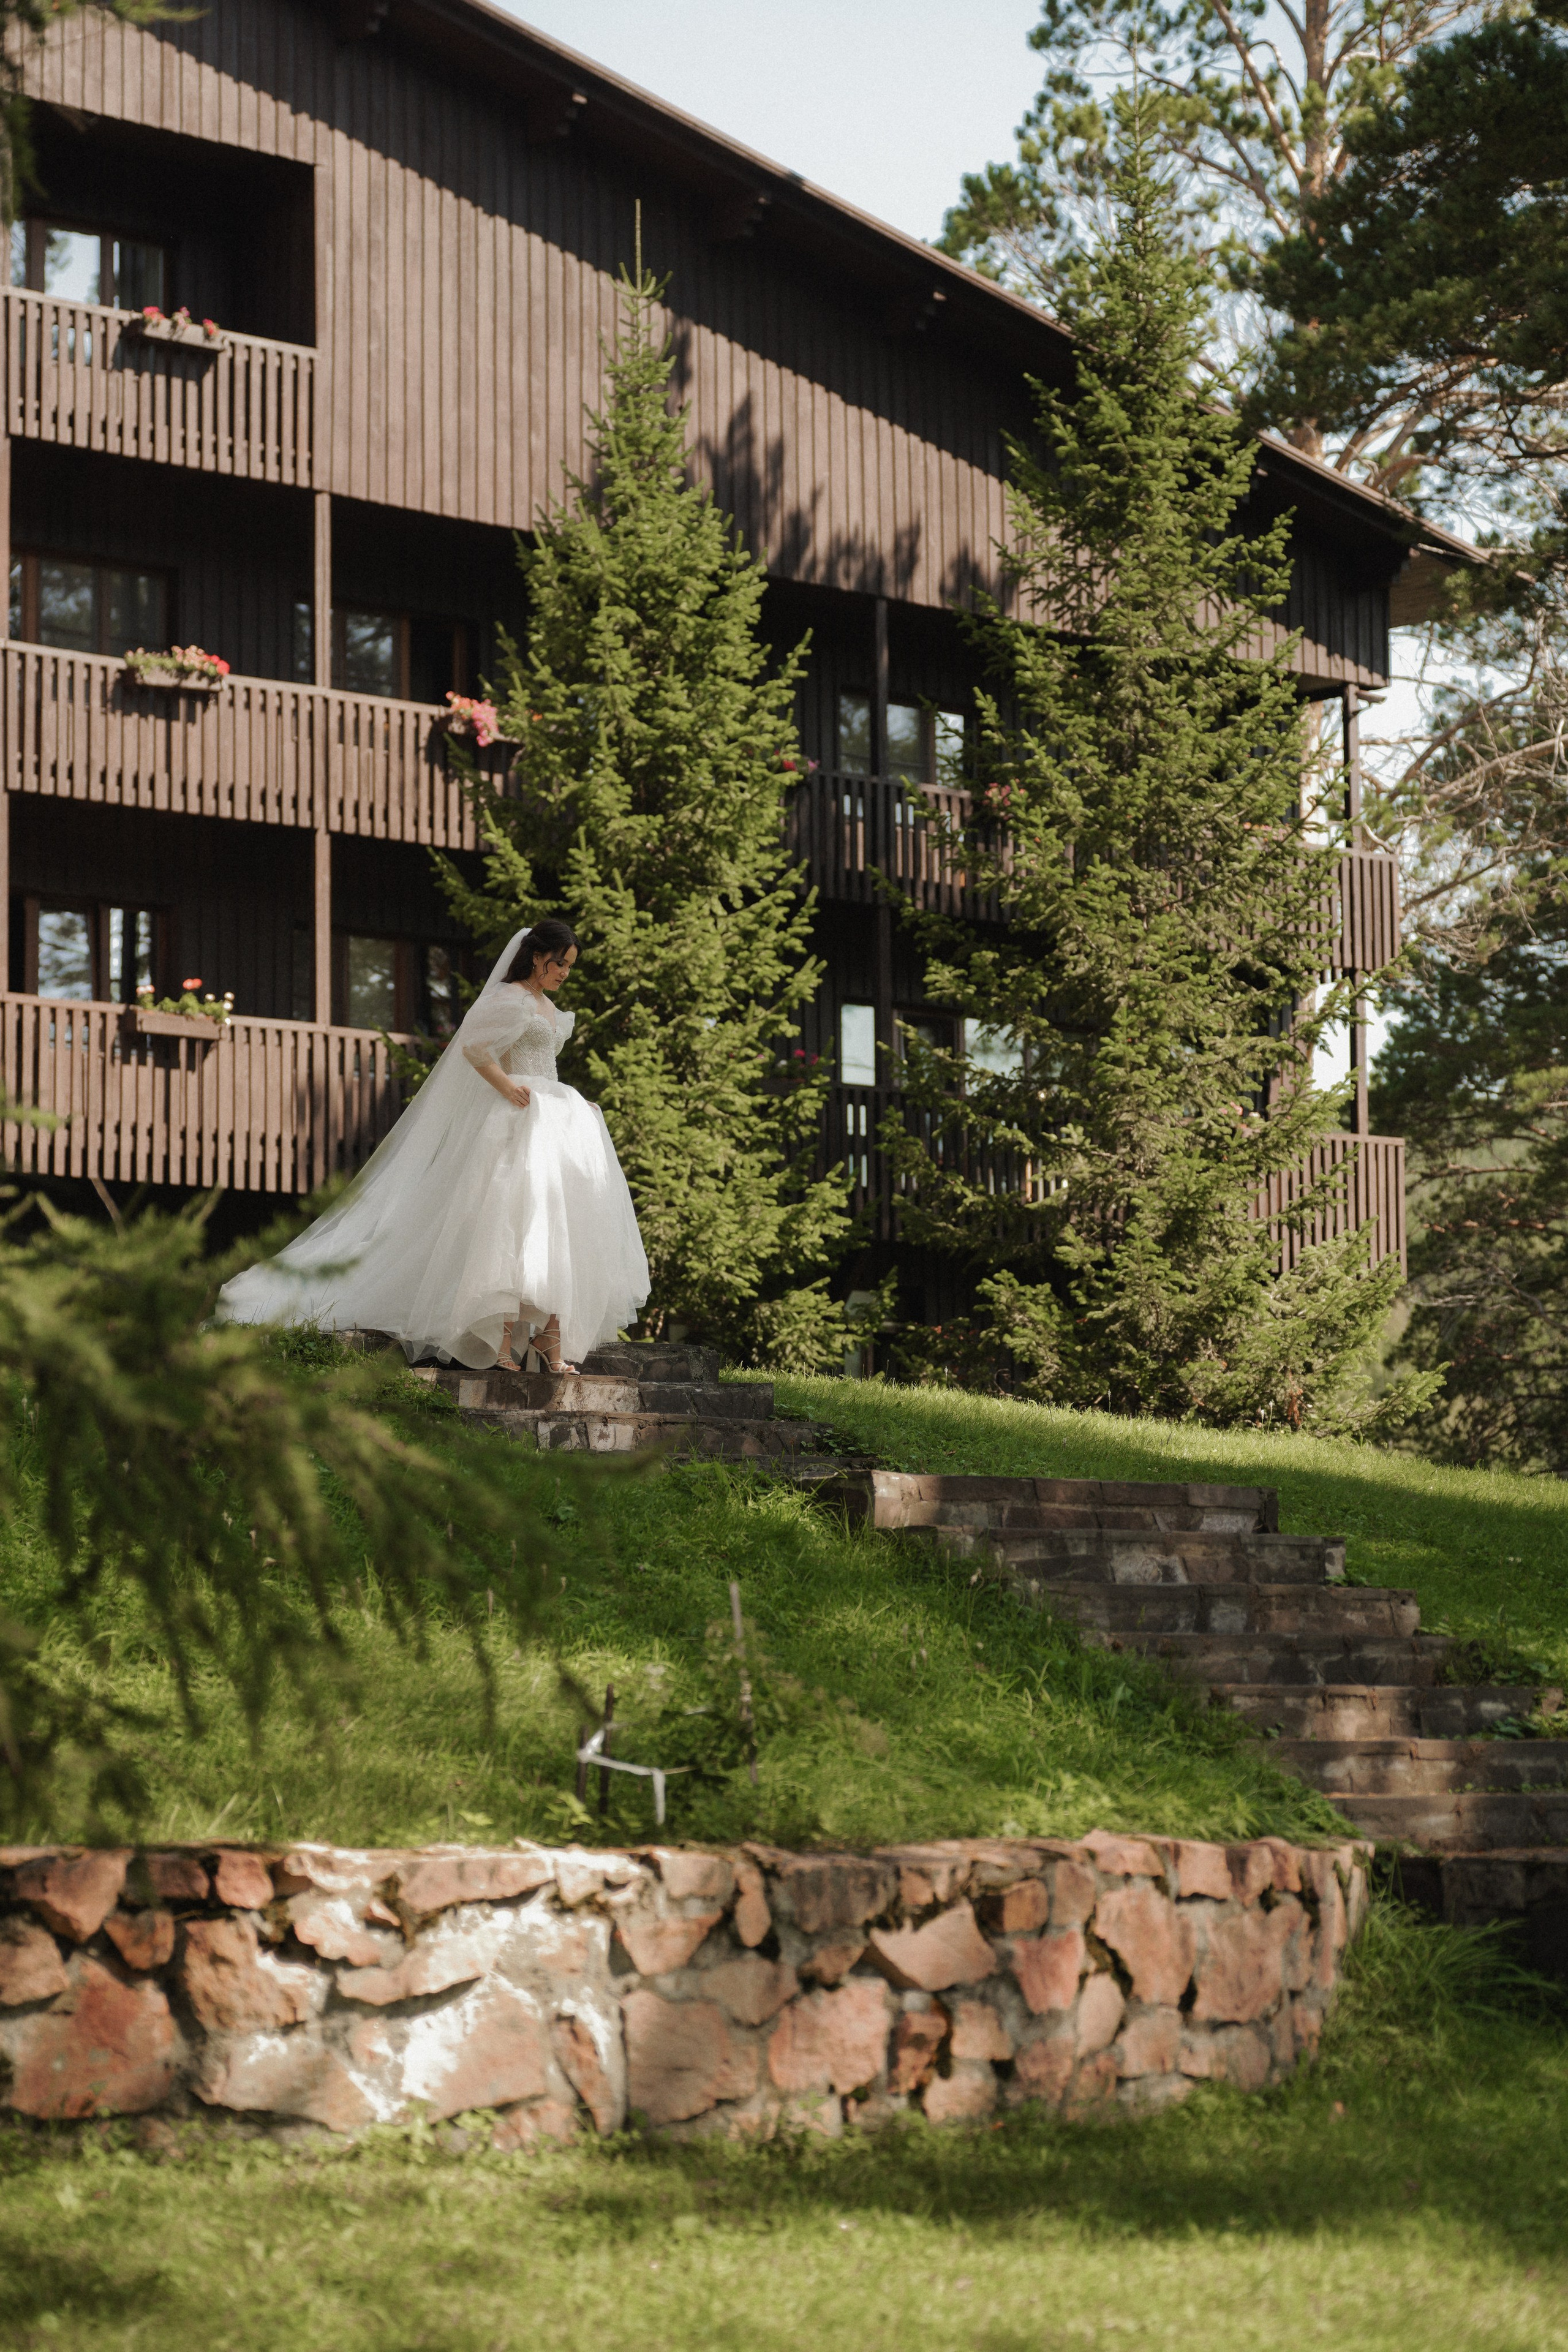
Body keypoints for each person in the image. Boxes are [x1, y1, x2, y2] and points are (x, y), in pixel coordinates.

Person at [218, 920, 649, 1372]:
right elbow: (475, 1048)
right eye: (559, 963)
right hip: (519, 1112)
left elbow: (543, 1060)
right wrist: (507, 1088)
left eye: (569, 966)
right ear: (537, 957)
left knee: (558, 1219)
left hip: (554, 1115)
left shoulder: (547, 1005)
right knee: (507, 1218)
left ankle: (549, 1336)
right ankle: (502, 1338)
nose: (564, 972)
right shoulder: (510, 999)